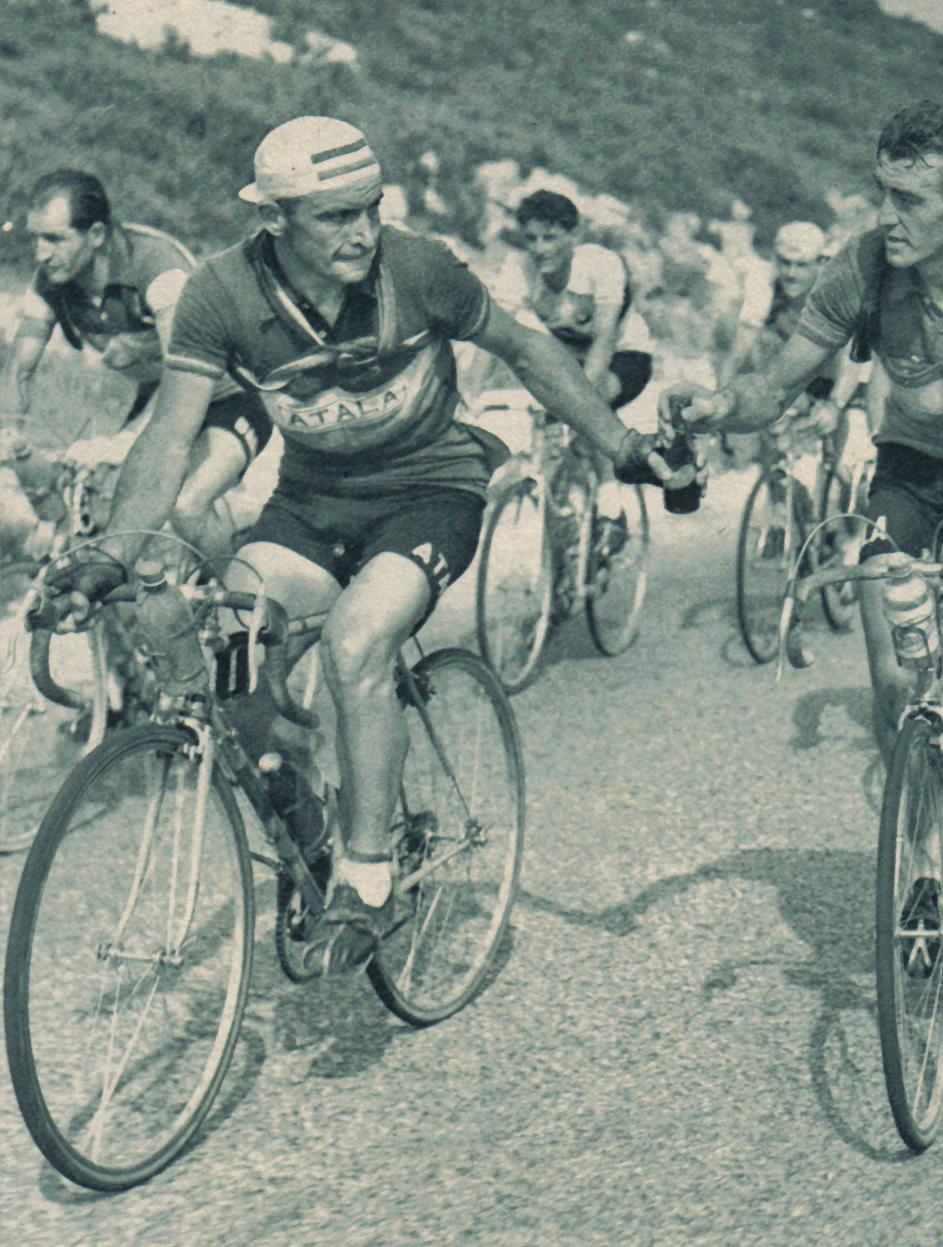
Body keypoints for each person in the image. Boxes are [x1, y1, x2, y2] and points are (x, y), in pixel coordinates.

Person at [59, 117, 673, 962]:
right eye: (334, 217)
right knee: (234, 653)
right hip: (310, 505)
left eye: (369, 209)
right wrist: (110, 551)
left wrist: (625, 446)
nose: (361, 233)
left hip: (432, 490)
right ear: (275, 218)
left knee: (355, 642)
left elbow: (527, 348)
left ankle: (370, 875)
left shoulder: (418, 270)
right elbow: (169, 435)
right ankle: (308, 823)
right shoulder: (220, 294)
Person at [660, 101, 943, 875]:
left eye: (910, 200)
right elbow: (779, 383)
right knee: (889, 660)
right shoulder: (865, 265)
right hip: (909, 468)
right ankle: (920, 855)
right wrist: (720, 408)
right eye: (881, 191)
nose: (887, 216)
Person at [0, 169, 272, 557]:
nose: (41, 254)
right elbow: (20, 370)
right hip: (160, 401)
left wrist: (127, 436)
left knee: (184, 508)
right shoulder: (50, 279)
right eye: (36, 238)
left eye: (55, 239)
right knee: (112, 508)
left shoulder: (156, 266)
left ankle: (239, 599)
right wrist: (12, 434)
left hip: (229, 397)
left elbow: (186, 370)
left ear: (95, 236)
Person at [715, 220, 868, 462]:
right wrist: (720, 404)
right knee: (762, 343)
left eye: (801, 265)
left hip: (845, 374)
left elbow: (851, 360)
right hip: (795, 371)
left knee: (842, 463)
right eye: (785, 263)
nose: (791, 273)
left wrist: (835, 406)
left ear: (820, 262)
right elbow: (739, 352)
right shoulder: (764, 282)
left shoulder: (837, 289)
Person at [491, 189, 654, 412]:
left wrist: (582, 401)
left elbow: (604, 336)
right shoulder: (518, 266)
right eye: (531, 238)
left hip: (624, 355)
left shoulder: (601, 262)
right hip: (573, 360)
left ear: (574, 236)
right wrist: (468, 394)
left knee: (585, 406)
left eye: (550, 238)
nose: (540, 249)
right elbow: (493, 333)